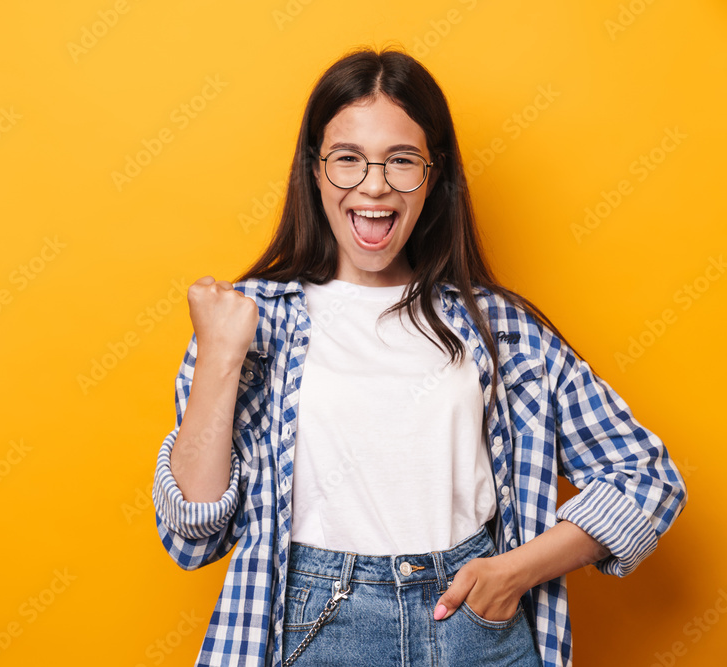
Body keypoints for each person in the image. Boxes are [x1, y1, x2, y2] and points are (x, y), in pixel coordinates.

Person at [151, 47, 687, 667]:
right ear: (314, 170)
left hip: (474, 626)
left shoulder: (502, 331)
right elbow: (193, 532)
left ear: (433, 177)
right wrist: (220, 357)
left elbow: (646, 478)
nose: (374, 185)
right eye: (348, 158)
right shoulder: (250, 321)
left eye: (402, 160)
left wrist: (512, 573)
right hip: (316, 625)